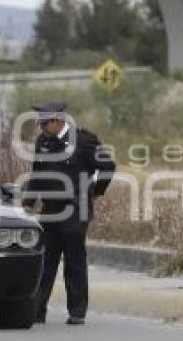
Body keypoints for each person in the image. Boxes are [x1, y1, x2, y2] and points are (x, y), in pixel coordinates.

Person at [23, 101, 115, 325]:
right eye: (40, 124)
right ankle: (37, 310)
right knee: (45, 262)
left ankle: (77, 311)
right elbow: (37, 174)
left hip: (75, 209)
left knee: (74, 262)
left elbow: (107, 167)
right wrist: (29, 202)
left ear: (57, 121)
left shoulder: (83, 140)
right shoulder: (43, 142)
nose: (41, 128)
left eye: (45, 124)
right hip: (50, 211)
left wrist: (96, 191)